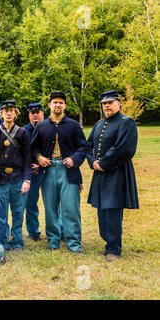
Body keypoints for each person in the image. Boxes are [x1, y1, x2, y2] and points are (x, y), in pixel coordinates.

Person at [86, 90, 139, 262]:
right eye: (104, 103)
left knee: (113, 211)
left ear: (118, 103)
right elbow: (87, 146)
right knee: (102, 210)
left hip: (117, 174)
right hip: (100, 175)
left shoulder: (127, 122)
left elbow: (124, 148)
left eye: (110, 102)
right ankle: (108, 242)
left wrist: (103, 163)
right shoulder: (98, 124)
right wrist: (93, 161)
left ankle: (114, 249)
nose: (107, 105)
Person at [30, 92, 87, 253]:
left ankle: (74, 243)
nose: (58, 105)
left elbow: (83, 147)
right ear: (49, 105)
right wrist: (39, 157)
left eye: (61, 102)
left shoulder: (74, 125)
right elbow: (33, 147)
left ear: (65, 106)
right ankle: (53, 242)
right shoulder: (41, 126)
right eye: (55, 102)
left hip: (68, 170)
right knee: (51, 209)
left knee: (71, 208)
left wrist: (74, 159)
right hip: (48, 171)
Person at [0, 100, 32, 251]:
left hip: (18, 178)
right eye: (6, 110)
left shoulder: (22, 132)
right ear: (1, 114)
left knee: (18, 211)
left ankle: (17, 240)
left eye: (12, 110)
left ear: (16, 114)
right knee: (1, 212)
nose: (9, 113)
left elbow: (27, 157)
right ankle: (2, 239)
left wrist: (27, 179)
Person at [23, 102, 44, 241]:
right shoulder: (24, 131)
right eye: (32, 113)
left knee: (54, 204)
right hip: (31, 173)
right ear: (29, 115)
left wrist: (40, 164)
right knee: (30, 202)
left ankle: (60, 230)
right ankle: (33, 231)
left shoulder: (49, 127)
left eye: (37, 112)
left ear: (43, 113)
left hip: (47, 170)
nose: (35, 115)